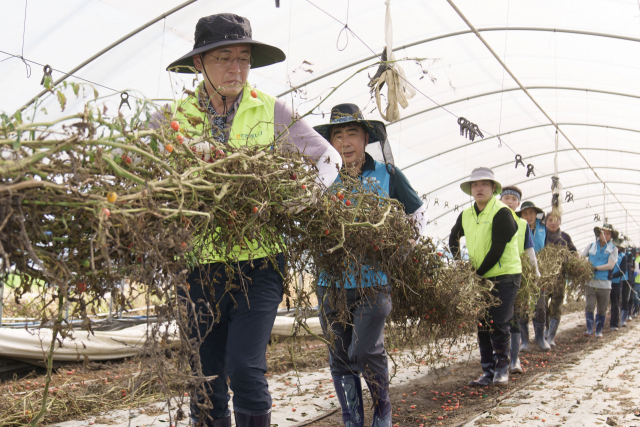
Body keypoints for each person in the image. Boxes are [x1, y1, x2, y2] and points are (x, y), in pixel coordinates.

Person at [166, 14, 343, 427]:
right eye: (224, 58)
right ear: (199, 65)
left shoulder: (271, 109)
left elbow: (327, 157)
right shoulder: (175, 118)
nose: (236, 69)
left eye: (243, 58)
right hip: (198, 264)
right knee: (205, 380)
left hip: (260, 262)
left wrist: (305, 197)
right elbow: (146, 172)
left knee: (245, 368)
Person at [313, 104, 428, 427]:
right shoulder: (321, 176)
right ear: (330, 141)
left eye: (352, 133)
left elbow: (417, 212)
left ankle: (382, 409)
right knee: (339, 354)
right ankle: (352, 419)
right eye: (338, 135)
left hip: (373, 282)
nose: (345, 142)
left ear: (365, 137)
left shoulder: (387, 175)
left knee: (364, 351)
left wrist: (401, 251)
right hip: (329, 281)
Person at [450, 167, 521, 387]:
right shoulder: (467, 214)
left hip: (505, 275)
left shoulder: (502, 212)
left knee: (498, 322)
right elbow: (454, 237)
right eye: (475, 185)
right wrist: (459, 263)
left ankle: (502, 369)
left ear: (492, 188)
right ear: (471, 189)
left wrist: (476, 275)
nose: (479, 188)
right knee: (482, 323)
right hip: (480, 278)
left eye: (484, 184)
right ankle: (488, 371)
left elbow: (498, 249)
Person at [499, 186, 540, 373]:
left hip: (516, 276)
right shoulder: (492, 219)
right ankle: (498, 360)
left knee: (514, 317)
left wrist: (535, 271)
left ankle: (514, 360)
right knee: (498, 320)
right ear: (500, 200)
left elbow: (530, 249)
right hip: (495, 275)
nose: (509, 202)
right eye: (506, 198)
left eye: (513, 199)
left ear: (518, 204)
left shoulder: (522, 224)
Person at [516, 201, 549, 351]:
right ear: (521, 215)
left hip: (539, 271)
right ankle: (524, 341)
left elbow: (547, 247)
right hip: (522, 270)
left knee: (540, 305)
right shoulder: (518, 227)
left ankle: (540, 338)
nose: (528, 216)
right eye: (525, 213)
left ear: (536, 215)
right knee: (522, 306)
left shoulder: (543, 228)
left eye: (531, 213)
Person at [543, 212, 577, 345]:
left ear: (560, 222)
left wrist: (576, 265)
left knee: (556, 307)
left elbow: (574, 252)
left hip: (560, 278)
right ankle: (546, 330)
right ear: (546, 222)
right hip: (544, 277)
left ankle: (551, 337)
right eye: (550, 220)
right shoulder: (542, 235)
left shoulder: (565, 237)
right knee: (543, 306)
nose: (553, 222)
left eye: (556, 220)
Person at [581, 224, 619, 338]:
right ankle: (589, 329)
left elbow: (610, 265)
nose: (604, 235)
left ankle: (598, 330)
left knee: (602, 308)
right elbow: (582, 258)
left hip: (605, 284)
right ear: (599, 233)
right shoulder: (591, 246)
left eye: (607, 233)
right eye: (603, 232)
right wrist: (585, 266)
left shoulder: (613, 249)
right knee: (589, 306)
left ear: (611, 236)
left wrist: (595, 268)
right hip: (590, 282)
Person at [609, 239, 628, 331]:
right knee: (603, 304)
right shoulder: (608, 253)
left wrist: (612, 276)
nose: (617, 247)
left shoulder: (622, 257)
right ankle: (600, 323)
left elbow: (623, 271)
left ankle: (614, 324)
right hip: (605, 281)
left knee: (615, 304)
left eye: (618, 246)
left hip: (616, 283)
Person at [620, 247, 635, 326]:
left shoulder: (628, 255)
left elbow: (630, 268)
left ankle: (623, 320)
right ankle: (619, 317)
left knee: (625, 299)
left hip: (627, 280)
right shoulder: (614, 254)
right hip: (618, 280)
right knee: (618, 300)